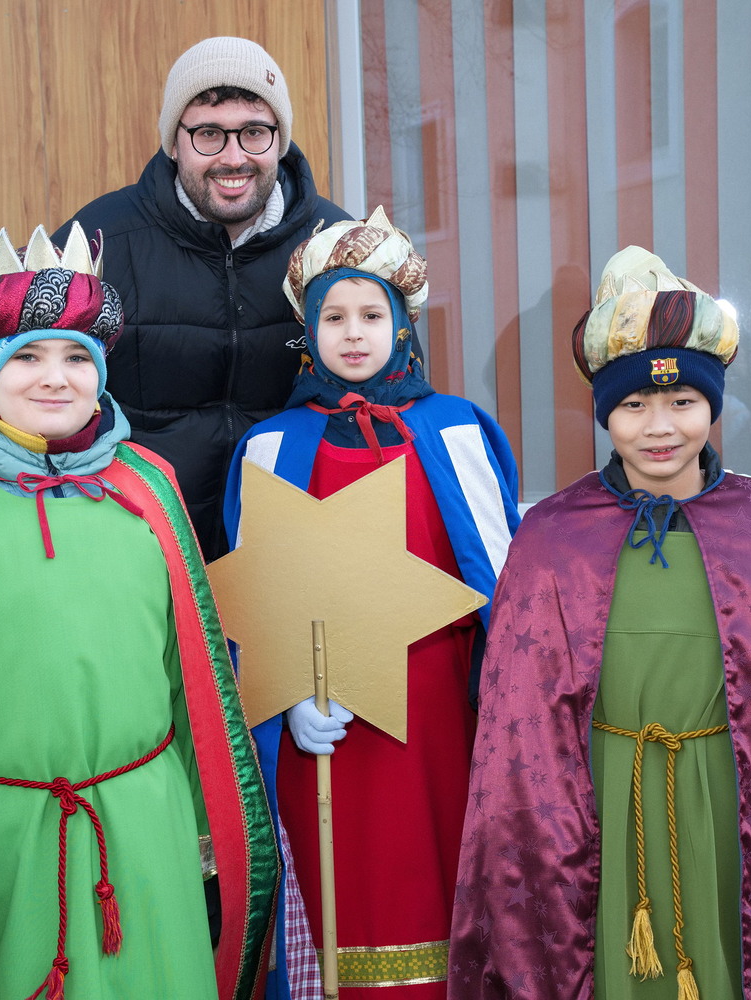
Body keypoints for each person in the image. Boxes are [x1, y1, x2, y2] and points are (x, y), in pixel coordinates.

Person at [448, 248, 751, 999]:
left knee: (735, 956)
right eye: (634, 406)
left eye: (682, 402)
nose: (660, 427)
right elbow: (518, 716)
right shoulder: (551, 537)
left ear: (713, 407)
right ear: (605, 414)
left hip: (736, 793)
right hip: (598, 795)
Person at [0, 225, 277, 1000]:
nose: (55, 379)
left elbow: (191, 680)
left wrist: (208, 843)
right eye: (28, 357)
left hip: (148, 830)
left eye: (77, 357)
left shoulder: (148, 486)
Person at [223, 209, 521, 999]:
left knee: (441, 867)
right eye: (333, 317)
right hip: (329, 723)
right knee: (341, 884)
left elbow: (504, 584)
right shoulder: (273, 446)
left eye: (370, 315)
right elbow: (256, 600)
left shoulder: (456, 432)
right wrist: (286, 698)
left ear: (403, 323)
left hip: (440, 713)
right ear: (307, 330)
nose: (353, 334)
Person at [53, 36, 351, 561]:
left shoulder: (336, 243)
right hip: (135, 542)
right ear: (174, 142)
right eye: (209, 134)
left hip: (293, 548)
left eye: (254, 132)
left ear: (280, 140)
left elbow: (396, 387)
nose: (234, 158)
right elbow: (24, 392)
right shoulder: (97, 242)